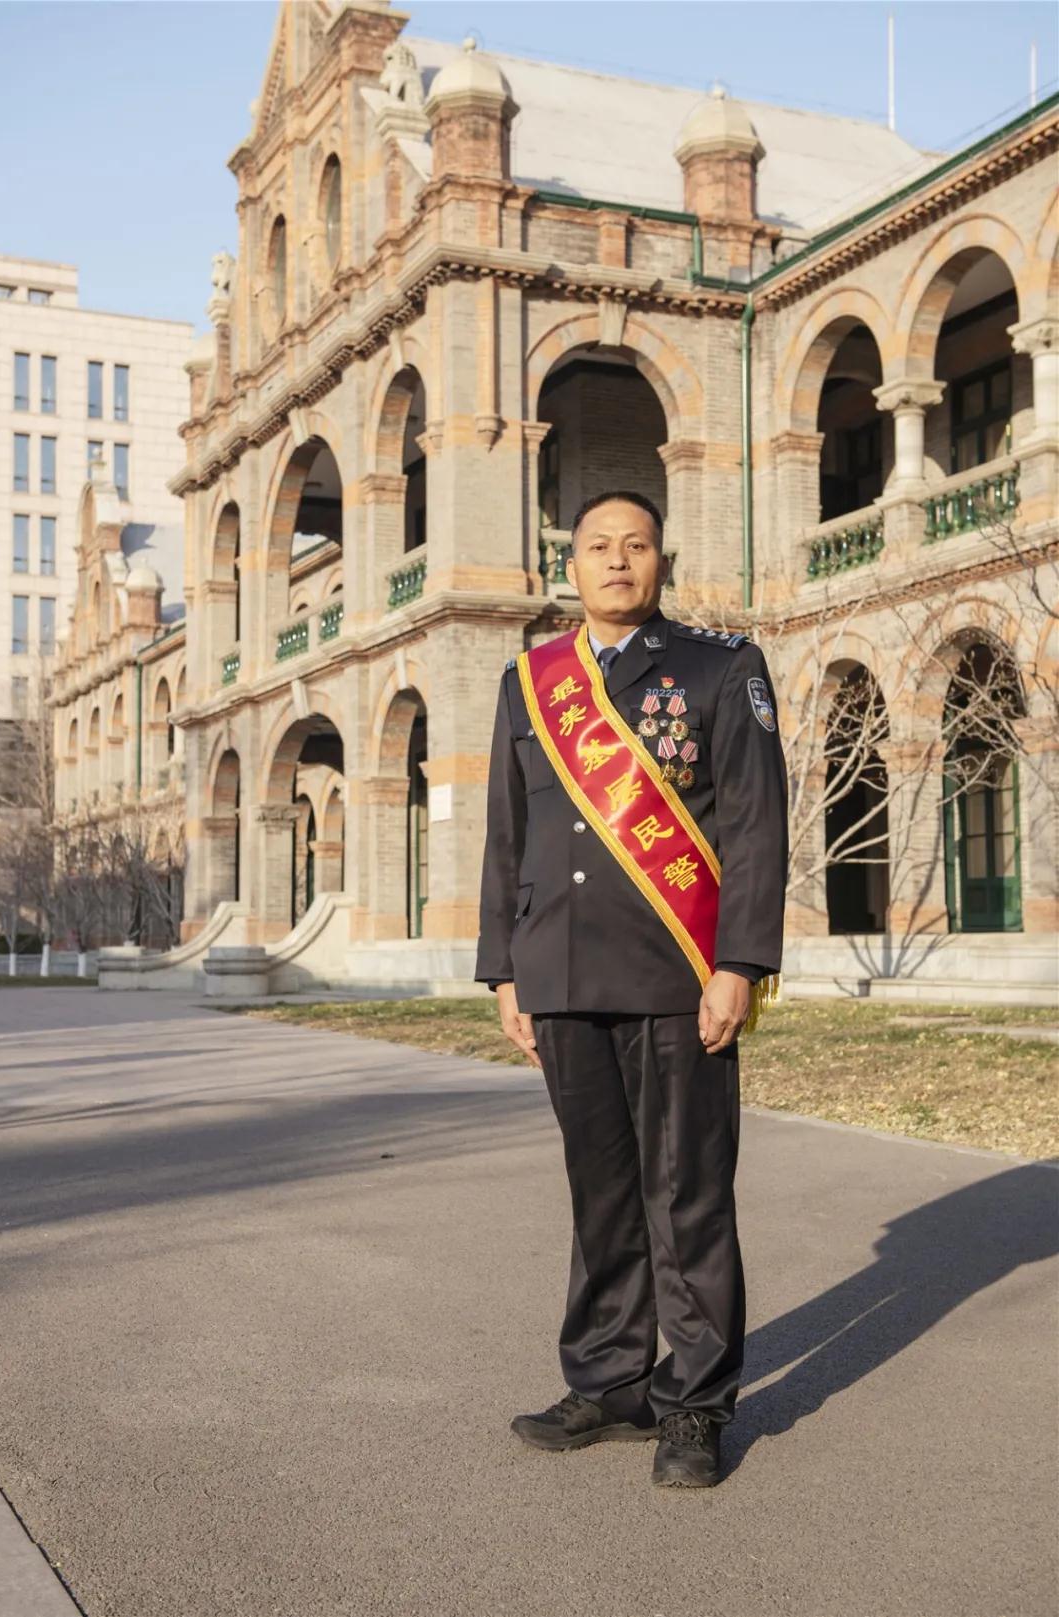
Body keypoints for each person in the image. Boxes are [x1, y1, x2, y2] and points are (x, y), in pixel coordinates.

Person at [474, 489, 788, 1488]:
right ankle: (610, 1381)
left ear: (662, 560)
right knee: (601, 1192)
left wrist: (739, 963)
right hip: (561, 973)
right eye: (599, 546)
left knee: (685, 1191)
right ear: (570, 566)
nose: (617, 560)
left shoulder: (720, 668)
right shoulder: (531, 683)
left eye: (636, 544)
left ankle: (693, 1401)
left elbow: (755, 827)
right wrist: (503, 967)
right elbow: (507, 833)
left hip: (676, 974)